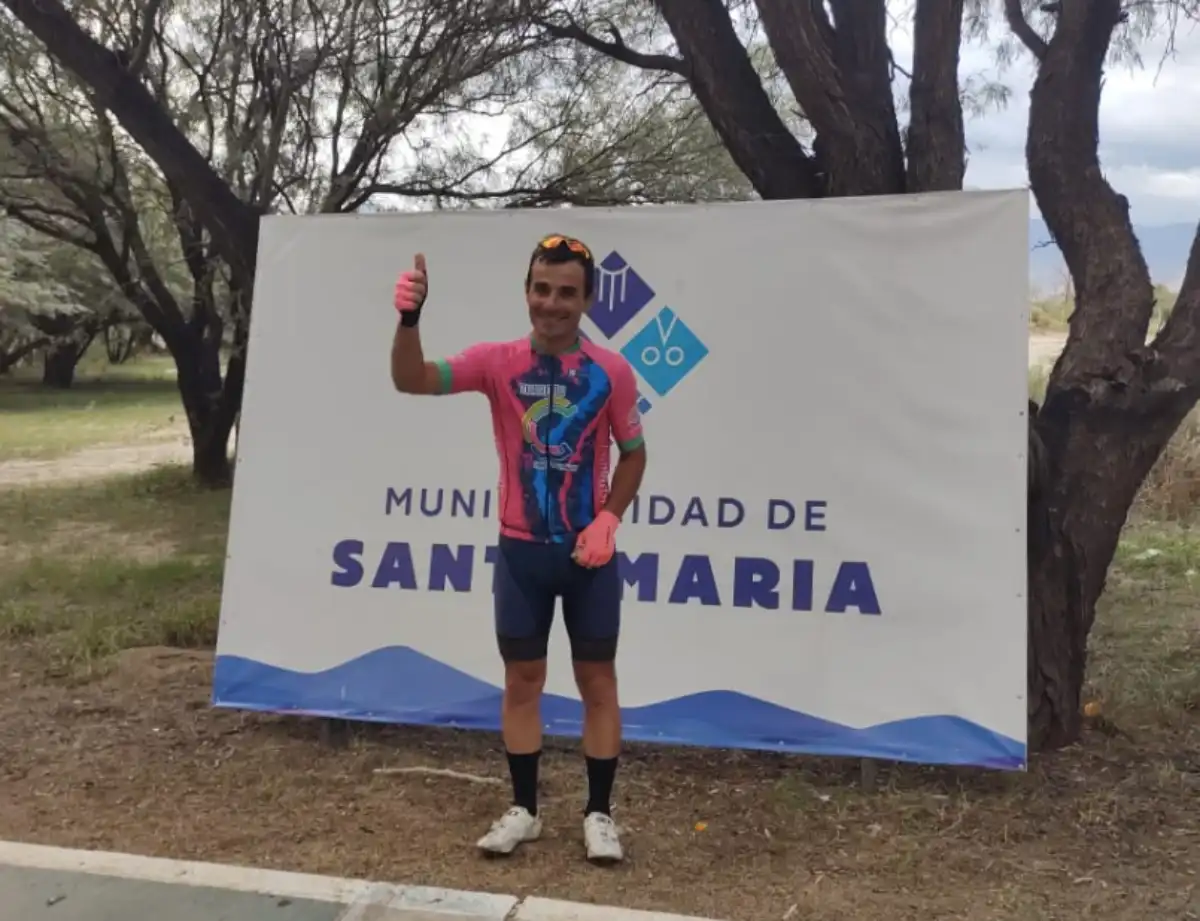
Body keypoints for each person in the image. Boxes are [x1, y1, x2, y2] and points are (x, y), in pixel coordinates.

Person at [389, 234, 648, 864]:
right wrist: (409, 320)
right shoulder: (496, 362)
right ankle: (525, 810)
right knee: (522, 681)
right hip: (521, 554)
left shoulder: (611, 371)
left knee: (598, 683)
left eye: (566, 293)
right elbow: (411, 379)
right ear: (526, 292)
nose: (551, 304)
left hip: (589, 557)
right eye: (541, 289)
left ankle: (599, 815)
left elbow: (635, 453)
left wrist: (609, 518)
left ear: (587, 299)